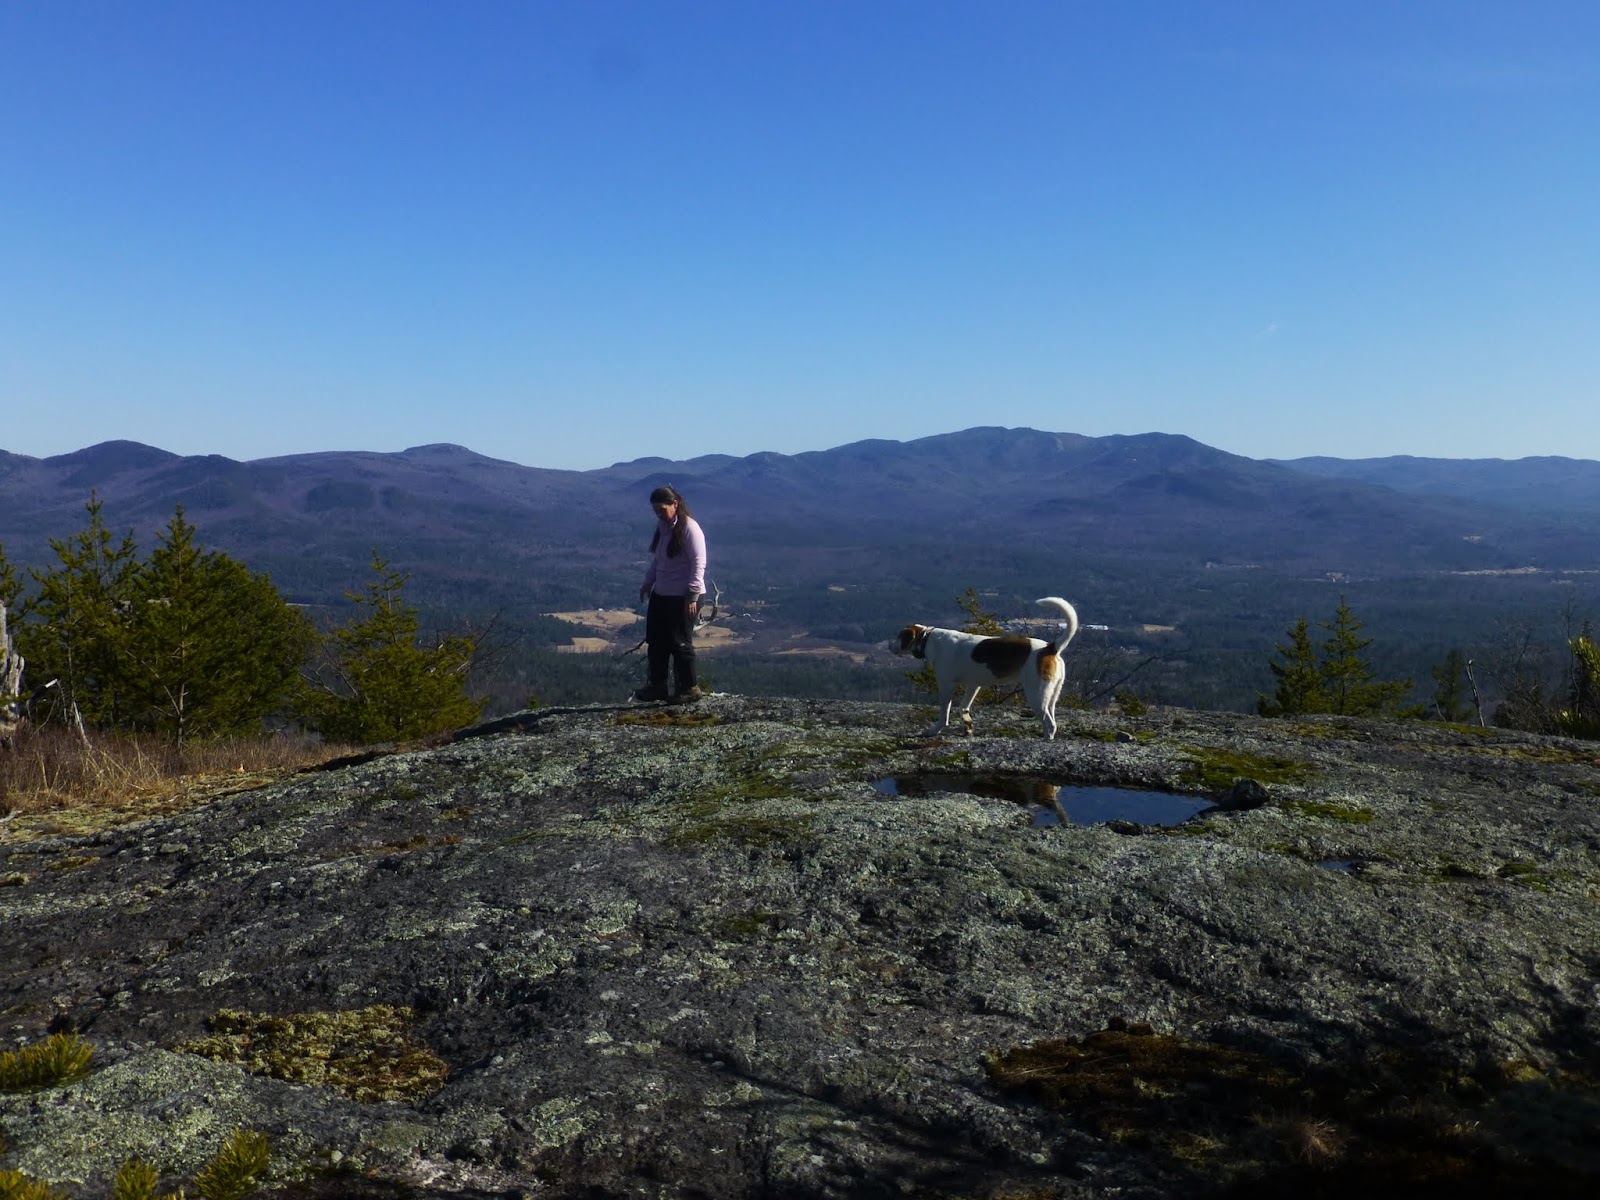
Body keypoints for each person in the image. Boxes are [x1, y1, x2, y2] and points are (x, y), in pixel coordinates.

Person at [634, 484, 706, 703]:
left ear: (675, 504)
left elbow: (698, 562)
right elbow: (659, 560)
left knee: (680, 642)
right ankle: (658, 686)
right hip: (662, 594)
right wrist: (648, 582)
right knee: (656, 641)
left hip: (683, 596)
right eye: (656, 511)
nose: (659, 515)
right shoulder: (663, 528)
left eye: (662, 510)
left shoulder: (690, 528)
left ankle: (689, 688)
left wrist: (692, 595)